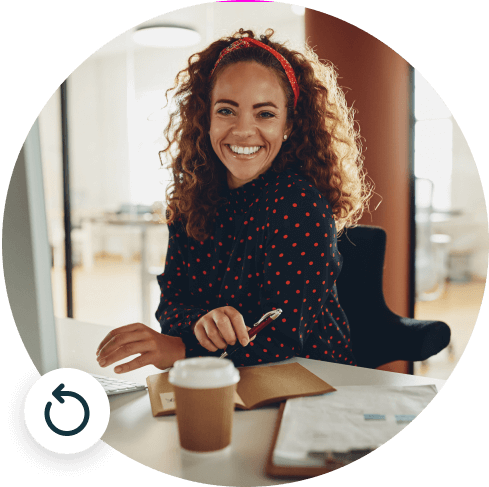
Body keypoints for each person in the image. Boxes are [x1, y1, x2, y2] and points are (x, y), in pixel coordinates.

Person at [96, 28, 372, 374]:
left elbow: (283, 338)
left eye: (265, 114)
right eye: (227, 110)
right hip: (226, 378)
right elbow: (173, 304)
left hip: (311, 380)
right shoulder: (190, 199)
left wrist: (183, 348)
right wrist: (200, 324)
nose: (243, 131)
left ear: (289, 124)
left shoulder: (300, 203)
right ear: (206, 117)